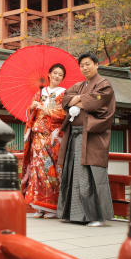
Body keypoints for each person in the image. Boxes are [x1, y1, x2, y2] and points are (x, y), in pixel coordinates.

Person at [57, 53, 116, 226]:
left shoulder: (104, 84)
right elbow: (65, 100)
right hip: (75, 136)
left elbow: (97, 103)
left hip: (92, 136)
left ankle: (96, 216)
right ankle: (75, 214)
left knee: (90, 175)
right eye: (82, 65)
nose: (85, 68)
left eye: (88, 64)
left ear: (97, 65)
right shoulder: (79, 85)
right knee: (73, 174)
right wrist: (79, 100)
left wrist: (77, 100)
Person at [21, 63, 67, 219]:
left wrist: (45, 109)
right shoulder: (40, 92)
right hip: (37, 136)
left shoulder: (64, 94)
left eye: (60, 74)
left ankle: (51, 206)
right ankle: (38, 205)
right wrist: (33, 107)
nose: (56, 76)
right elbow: (30, 113)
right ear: (49, 74)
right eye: (54, 73)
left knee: (50, 169)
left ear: (62, 78)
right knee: (36, 169)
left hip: (52, 136)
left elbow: (63, 114)